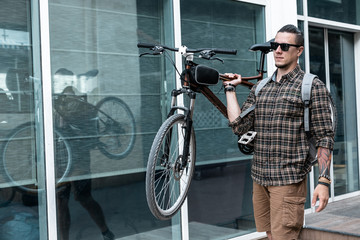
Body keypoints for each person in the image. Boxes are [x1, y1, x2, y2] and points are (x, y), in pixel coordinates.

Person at [223, 24, 335, 240]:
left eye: (285, 46)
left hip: (288, 180)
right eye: (275, 45)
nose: (278, 50)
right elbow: (239, 126)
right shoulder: (261, 87)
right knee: (270, 234)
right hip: (259, 177)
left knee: (285, 237)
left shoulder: (312, 86)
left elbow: (325, 138)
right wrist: (230, 89)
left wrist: (324, 182)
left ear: (299, 51)